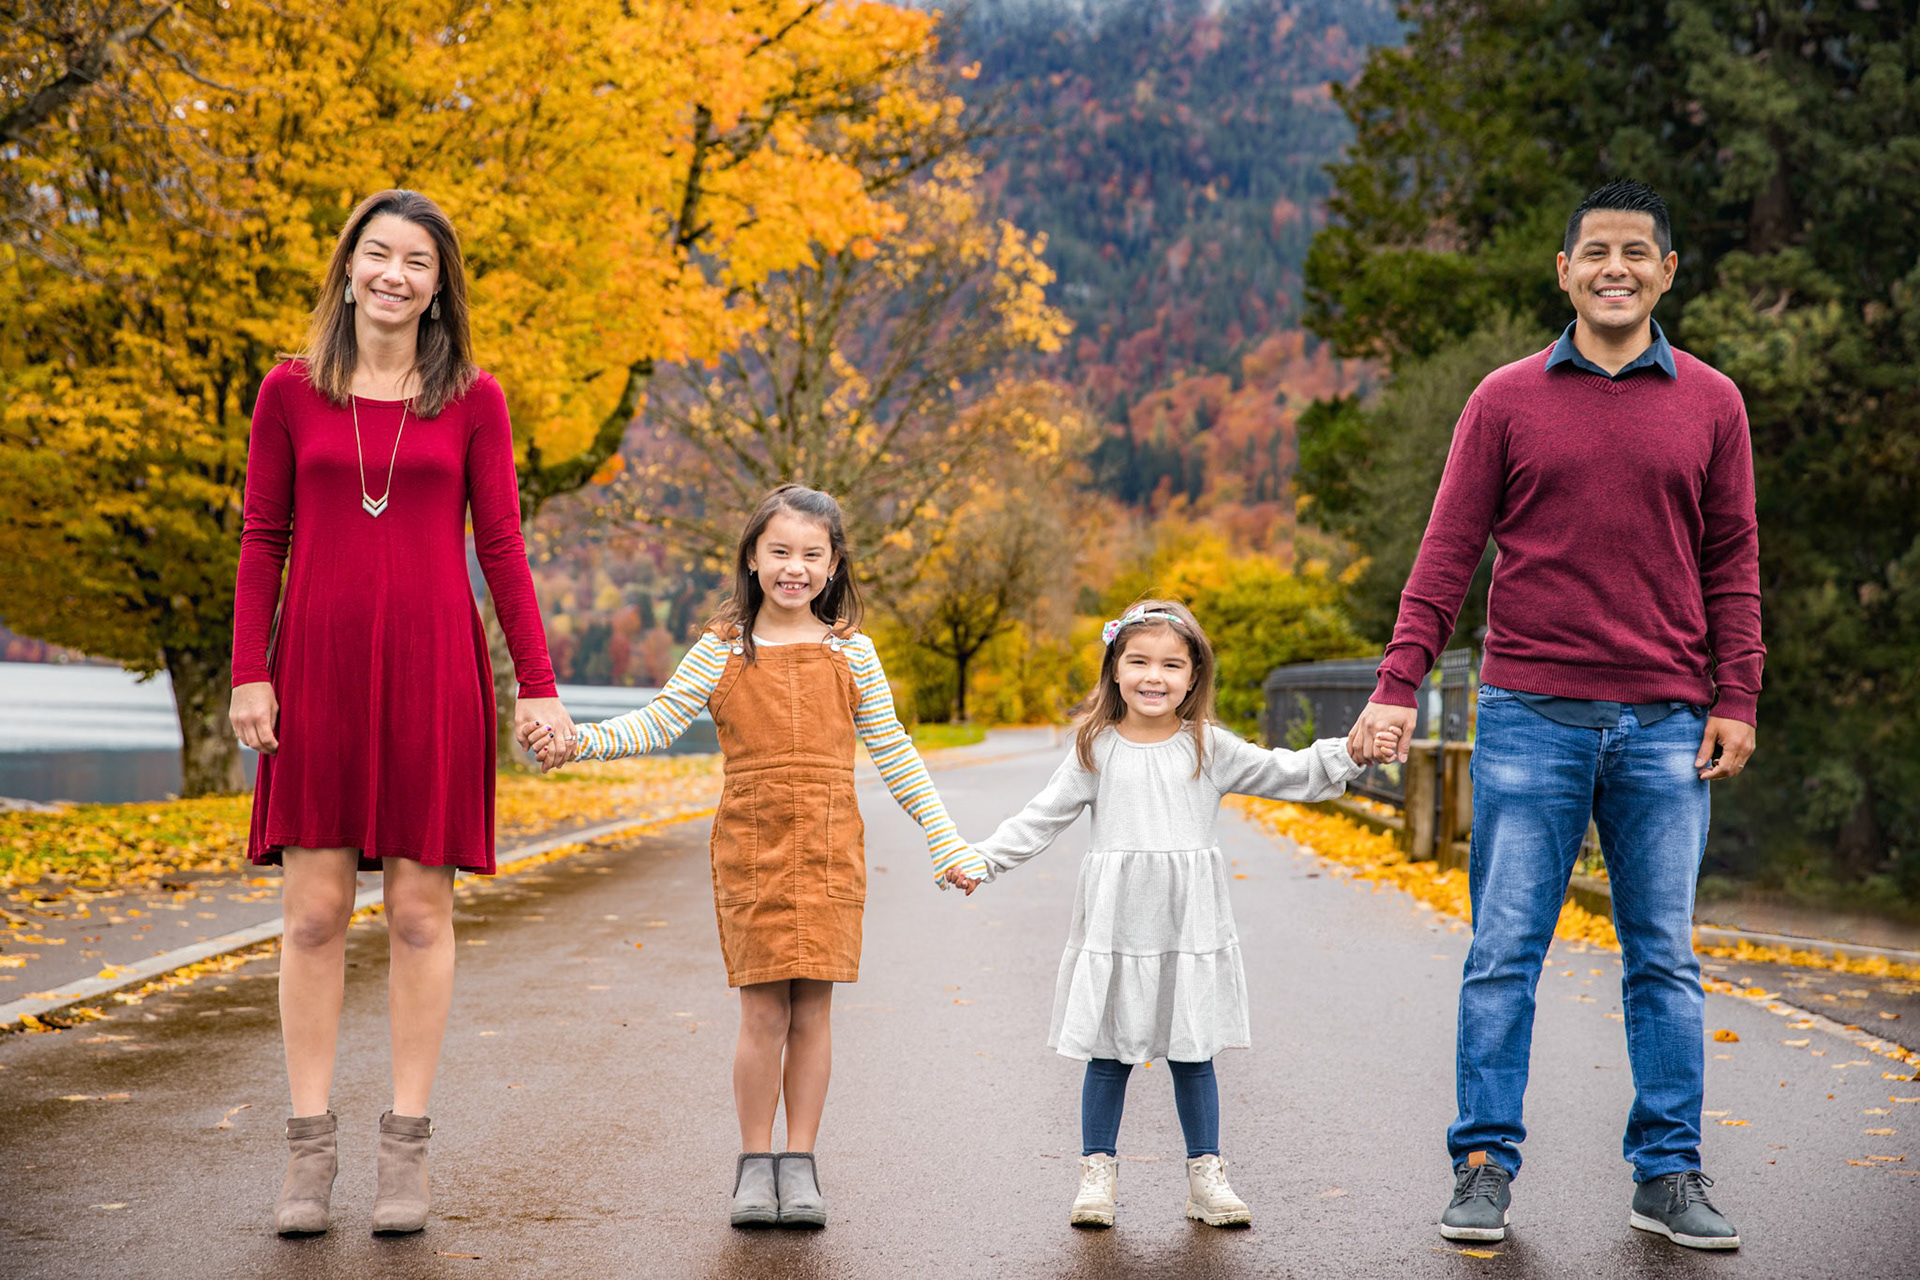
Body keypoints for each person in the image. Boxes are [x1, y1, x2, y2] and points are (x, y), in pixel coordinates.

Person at [1346, 179, 1763, 1251]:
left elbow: (1732, 560)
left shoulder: (1713, 402)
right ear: (1566, 271)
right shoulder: (1504, 399)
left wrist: (1738, 693)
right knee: (1504, 952)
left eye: (1637, 252)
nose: (1616, 268)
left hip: (1667, 723)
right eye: (1597, 253)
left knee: (1664, 959)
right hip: (1529, 715)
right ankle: (1483, 1163)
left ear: (1667, 272)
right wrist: (1398, 683)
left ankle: (1667, 1172)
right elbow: (1448, 551)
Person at [228, 189, 572, 1237]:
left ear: (437, 288)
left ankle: (404, 1149)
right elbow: (263, 536)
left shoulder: (474, 399)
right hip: (317, 668)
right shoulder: (289, 391)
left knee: (421, 914)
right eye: (378, 254)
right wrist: (249, 670)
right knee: (314, 913)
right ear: (348, 269)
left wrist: (540, 683)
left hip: (434, 671)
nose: (394, 273)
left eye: (417, 262)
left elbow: (502, 546)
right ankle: (307, 1151)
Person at [527, 484, 989, 1229]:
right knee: (764, 1011)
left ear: (833, 566)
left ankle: (799, 1163)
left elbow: (895, 751)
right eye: (779, 551)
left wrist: (945, 840)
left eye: (811, 554)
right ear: (752, 557)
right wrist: (577, 742)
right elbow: (657, 723)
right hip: (752, 847)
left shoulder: (853, 652)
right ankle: (754, 1163)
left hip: (831, 848)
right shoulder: (720, 649)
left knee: (814, 1010)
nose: (794, 568)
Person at [944, 601, 1391, 1229]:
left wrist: (1351, 752)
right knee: (1109, 1053)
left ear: (1193, 676)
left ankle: (1206, 1176)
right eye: (1139, 662)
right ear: (1115, 669)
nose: (1154, 676)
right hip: (1118, 926)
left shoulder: (1209, 747)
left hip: (1189, 928)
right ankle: (1097, 1173)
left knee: (1193, 1050)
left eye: (1171, 665)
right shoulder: (1094, 749)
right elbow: (1041, 817)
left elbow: (1285, 771)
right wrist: (983, 859)